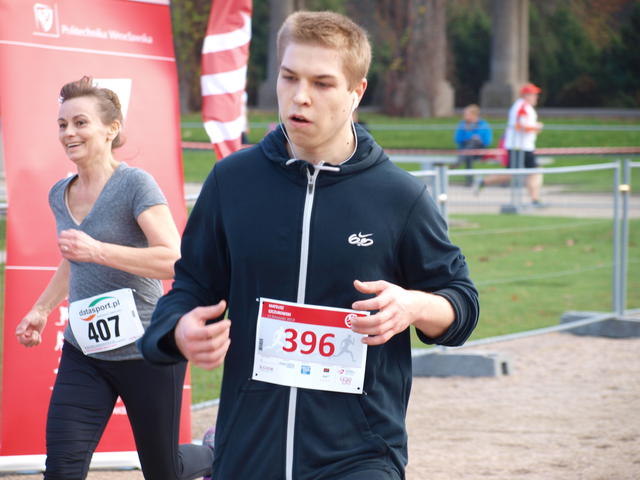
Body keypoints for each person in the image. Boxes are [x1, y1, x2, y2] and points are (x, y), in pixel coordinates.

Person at [139, 11, 479, 480]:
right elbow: (190, 288)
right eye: (289, 77)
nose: (300, 96)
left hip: (360, 455)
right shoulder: (231, 182)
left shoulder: (400, 197)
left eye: (322, 83)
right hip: (248, 449)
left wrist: (413, 305)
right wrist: (178, 331)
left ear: (356, 92)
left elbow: (461, 303)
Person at [15, 76, 213, 480]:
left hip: (147, 350)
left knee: (164, 470)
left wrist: (99, 251)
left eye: (80, 122)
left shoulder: (134, 185)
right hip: (85, 351)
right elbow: (74, 260)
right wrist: (42, 309)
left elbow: (174, 259)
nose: (69, 133)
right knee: (63, 468)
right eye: (62, 124)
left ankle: (216, 450)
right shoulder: (59, 194)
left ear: (111, 129)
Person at [473, 83, 544, 205]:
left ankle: (483, 182)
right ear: (526, 95)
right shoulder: (522, 107)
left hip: (522, 146)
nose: (536, 97)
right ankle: (534, 199)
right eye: (533, 95)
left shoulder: (525, 107)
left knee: (517, 173)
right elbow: (520, 126)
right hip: (520, 147)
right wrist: (536, 127)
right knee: (531, 172)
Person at [454, 104, 492, 184]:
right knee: (469, 152)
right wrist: (470, 135)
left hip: (479, 150)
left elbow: (487, 141)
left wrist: (475, 138)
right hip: (466, 149)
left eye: (466, 114)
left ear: (474, 115)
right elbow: (458, 139)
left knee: (474, 143)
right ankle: (469, 181)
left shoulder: (483, 125)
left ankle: (459, 161)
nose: (464, 116)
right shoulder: (462, 125)